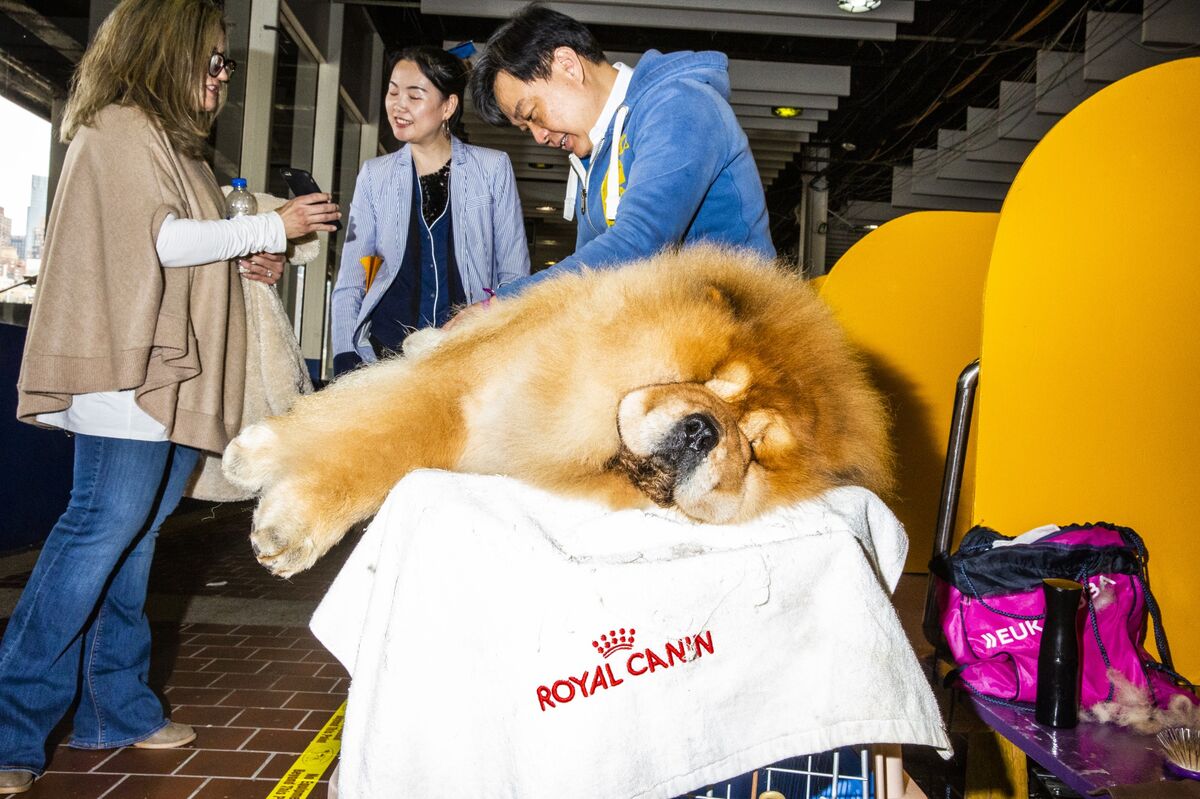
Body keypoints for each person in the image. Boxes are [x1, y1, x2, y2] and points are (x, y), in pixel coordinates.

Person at [0, 0, 338, 792]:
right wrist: (269, 229)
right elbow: (157, 242)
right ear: (167, 52)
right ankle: (12, 721)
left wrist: (254, 254)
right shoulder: (120, 128)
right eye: (213, 59)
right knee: (100, 530)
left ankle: (115, 707)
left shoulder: (170, 144)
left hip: (164, 372)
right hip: (129, 373)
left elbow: (184, 250)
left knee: (135, 537)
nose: (221, 76)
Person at [469, 3, 774, 298]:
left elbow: (640, 244)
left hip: (740, 330)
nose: (539, 137)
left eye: (533, 115)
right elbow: (590, 276)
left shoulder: (679, 105)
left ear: (567, 66)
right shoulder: (595, 159)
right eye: (527, 129)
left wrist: (505, 303)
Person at [331, 45, 529, 376]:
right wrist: (346, 356)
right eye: (393, 92)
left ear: (448, 106)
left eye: (414, 95)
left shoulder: (492, 169)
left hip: (466, 355)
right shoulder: (376, 176)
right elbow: (353, 277)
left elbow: (514, 275)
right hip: (386, 356)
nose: (398, 105)